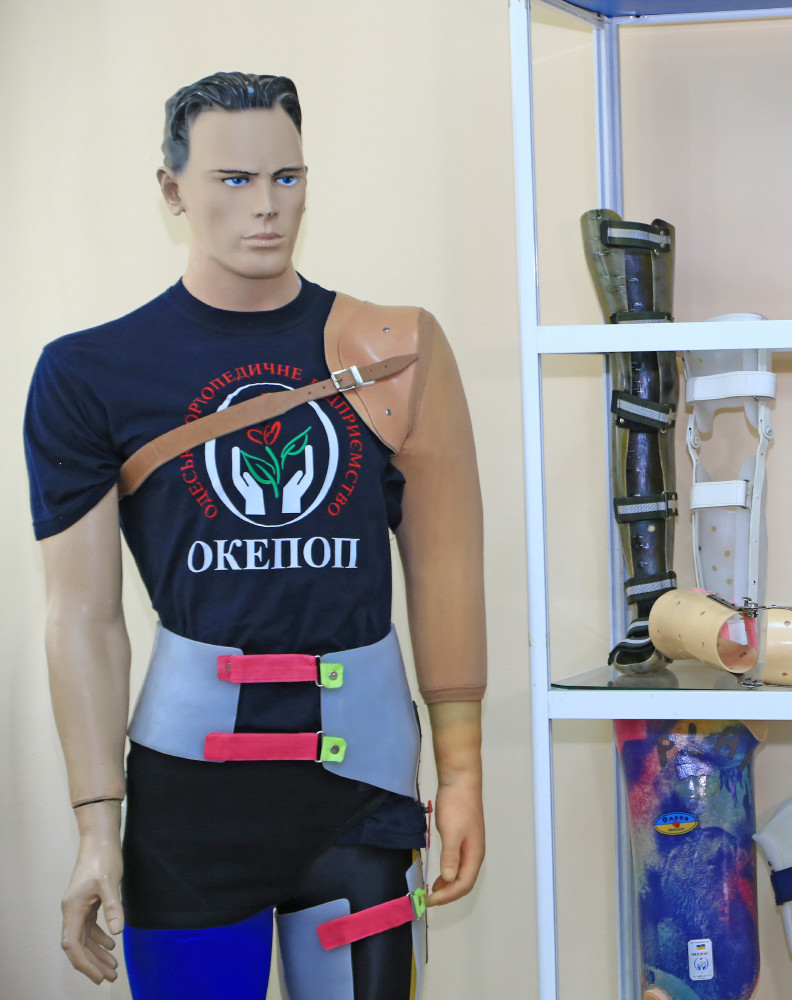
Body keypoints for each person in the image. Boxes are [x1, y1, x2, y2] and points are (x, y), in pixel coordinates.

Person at [24, 72, 486, 999]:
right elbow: (83, 617)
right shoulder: (90, 373)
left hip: (363, 800)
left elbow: (447, 567)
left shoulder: (395, 353)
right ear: (172, 189)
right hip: (188, 816)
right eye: (234, 180)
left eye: (287, 177)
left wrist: (463, 770)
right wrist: (95, 828)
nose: (266, 206)